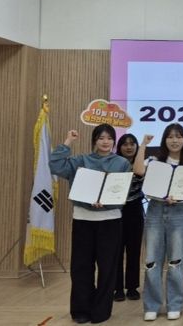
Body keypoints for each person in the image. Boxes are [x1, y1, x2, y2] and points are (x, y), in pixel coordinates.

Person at [49, 124, 131, 324]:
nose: (105, 142)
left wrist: (107, 202)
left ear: (114, 141)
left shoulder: (121, 163)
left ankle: (101, 311)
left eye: (109, 138)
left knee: (107, 268)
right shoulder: (80, 160)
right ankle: (81, 310)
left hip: (110, 220)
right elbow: (55, 166)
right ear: (94, 140)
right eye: (101, 138)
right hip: (83, 219)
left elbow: (124, 192)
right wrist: (68, 141)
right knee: (81, 267)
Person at [133, 124, 183, 321]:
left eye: (178, 136)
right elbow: (138, 170)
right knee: (152, 261)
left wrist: (180, 197)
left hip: (178, 214)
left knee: (176, 261)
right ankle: (152, 305)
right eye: (170, 137)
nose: (174, 140)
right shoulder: (155, 162)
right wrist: (143, 144)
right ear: (164, 140)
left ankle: (175, 304)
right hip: (155, 213)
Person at [113, 133, 143, 302]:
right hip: (116, 210)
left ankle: (132, 287)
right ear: (119, 147)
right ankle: (117, 288)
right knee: (116, 251)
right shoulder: (114, 163)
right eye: (125, 144)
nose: (129, 147)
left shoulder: (143, 163)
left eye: (132, 144)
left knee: (134, 251)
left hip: (135, 209)